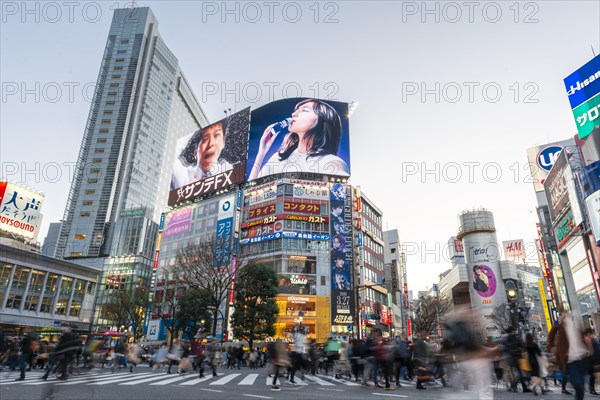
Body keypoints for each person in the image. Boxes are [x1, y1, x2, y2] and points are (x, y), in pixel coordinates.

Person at [249, 99, 349, 180]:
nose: (293, 114)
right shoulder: (278, 158)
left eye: (304, 110)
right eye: (296, 110)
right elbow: (250, 194)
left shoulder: (331, 162)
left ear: (323, 120)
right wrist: (261, 153)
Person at [171, 121, 232, 188]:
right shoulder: (185, 175)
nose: (211, 144)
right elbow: (170, 157)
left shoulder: (227, 172)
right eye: (205, 139)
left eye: (216, 135)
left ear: (223, 142)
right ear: (195, 153)